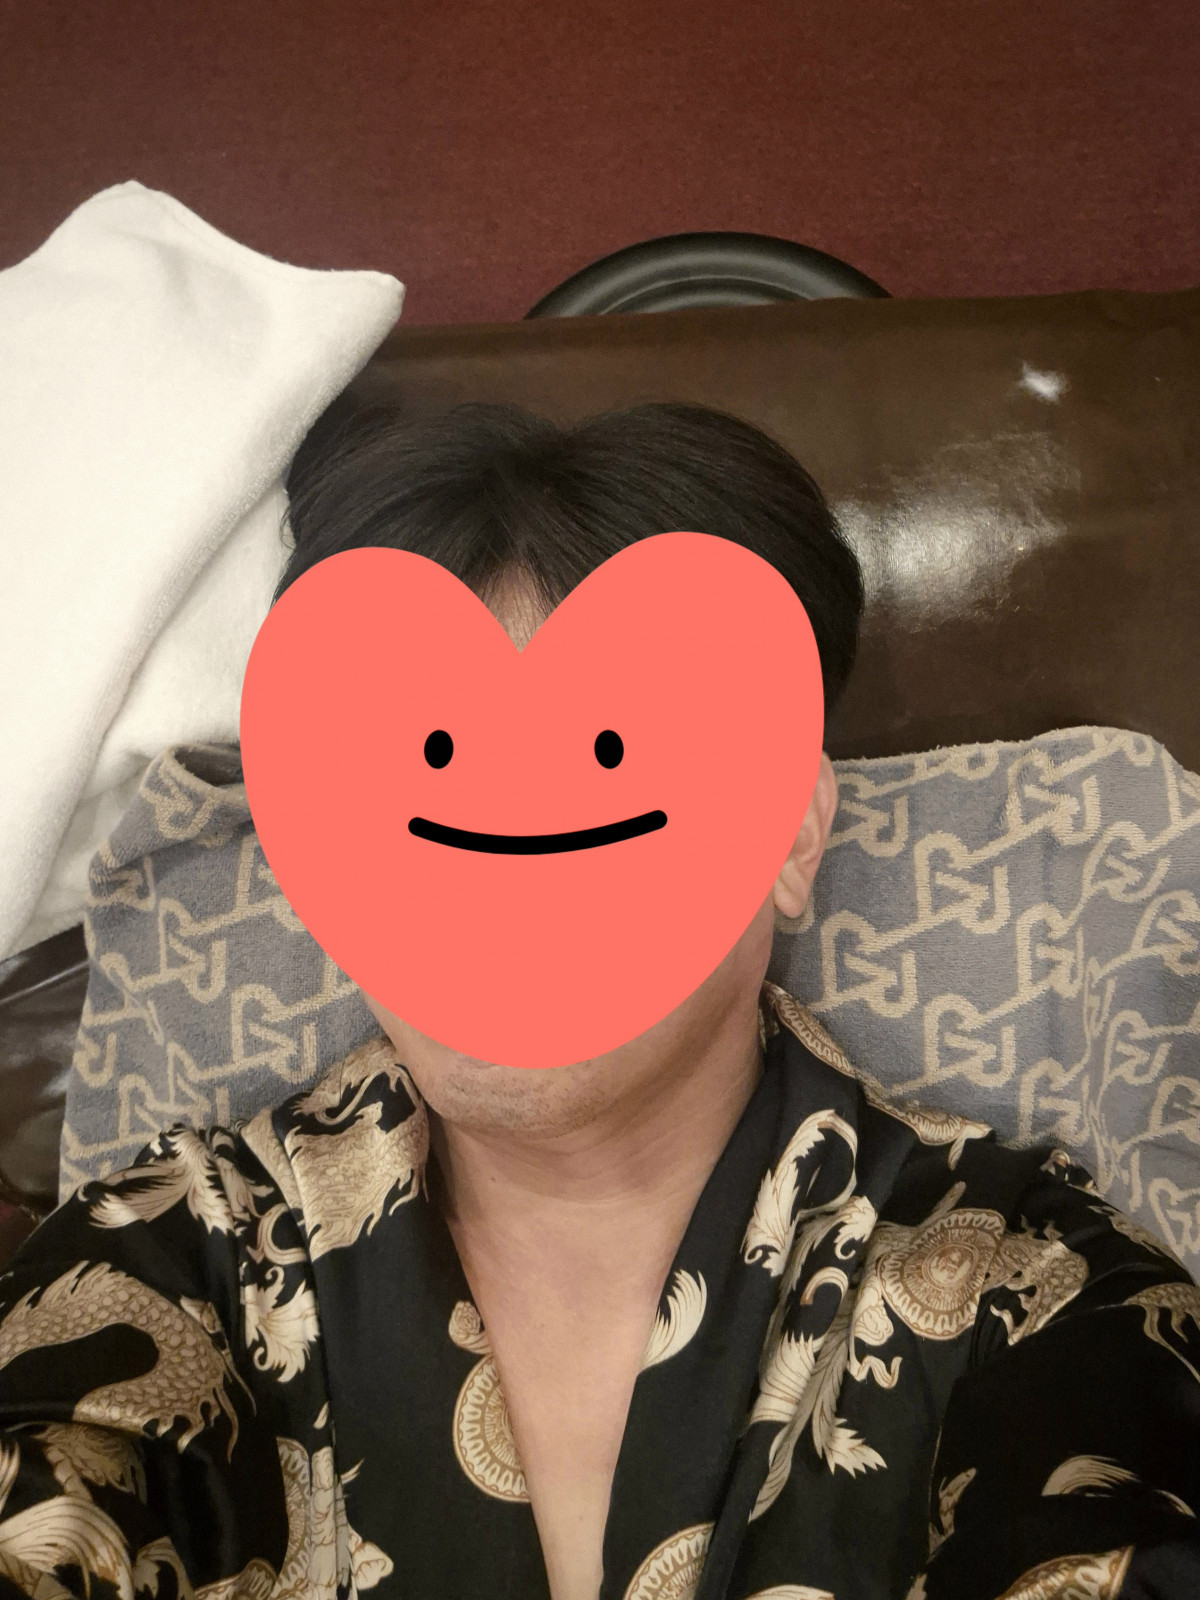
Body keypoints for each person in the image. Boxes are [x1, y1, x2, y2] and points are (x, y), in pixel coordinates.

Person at [1, 402, 1197, 1600]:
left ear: (789, 832)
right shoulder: (162, 1258)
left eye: (605, 757)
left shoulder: (1028, 1287)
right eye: (429, 771)